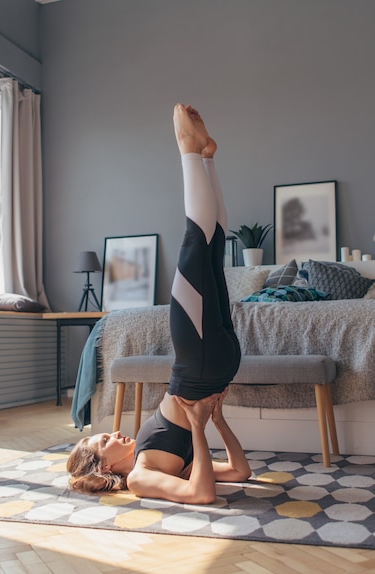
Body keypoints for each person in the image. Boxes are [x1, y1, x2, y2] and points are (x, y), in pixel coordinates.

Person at [67, 104, 251, 504]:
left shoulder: (162, 460)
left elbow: (239, 472)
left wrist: (216, 422)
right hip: (198, 366)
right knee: (195, 245)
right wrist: (202, 428)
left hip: (214, 364)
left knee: (211, 251)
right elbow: (202, 496)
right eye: (104, 442)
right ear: (104, 467)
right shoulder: (140, 476)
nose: (112, 433)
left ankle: (206, 158)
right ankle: (188, 151)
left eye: (103, 434)